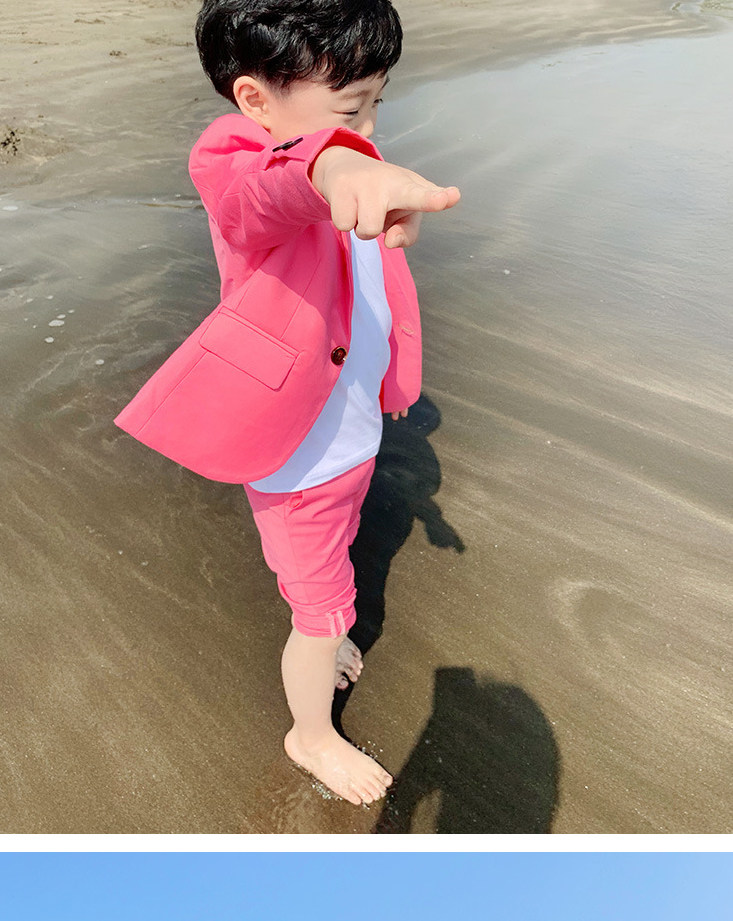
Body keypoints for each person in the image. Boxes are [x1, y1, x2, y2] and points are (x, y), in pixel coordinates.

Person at [114, 0, 460, 807]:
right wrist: (332, 167)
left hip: (349, 429)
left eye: (377, 104)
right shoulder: (233, 159)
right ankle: (310, 732)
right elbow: (269, 193)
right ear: (254, 99)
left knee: (336, 553)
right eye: (351, 109)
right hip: (297, 448)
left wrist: (393, 381)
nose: (366, 129)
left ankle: (326, 627)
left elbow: (372, 290)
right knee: (319, 608)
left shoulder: (350, 157)